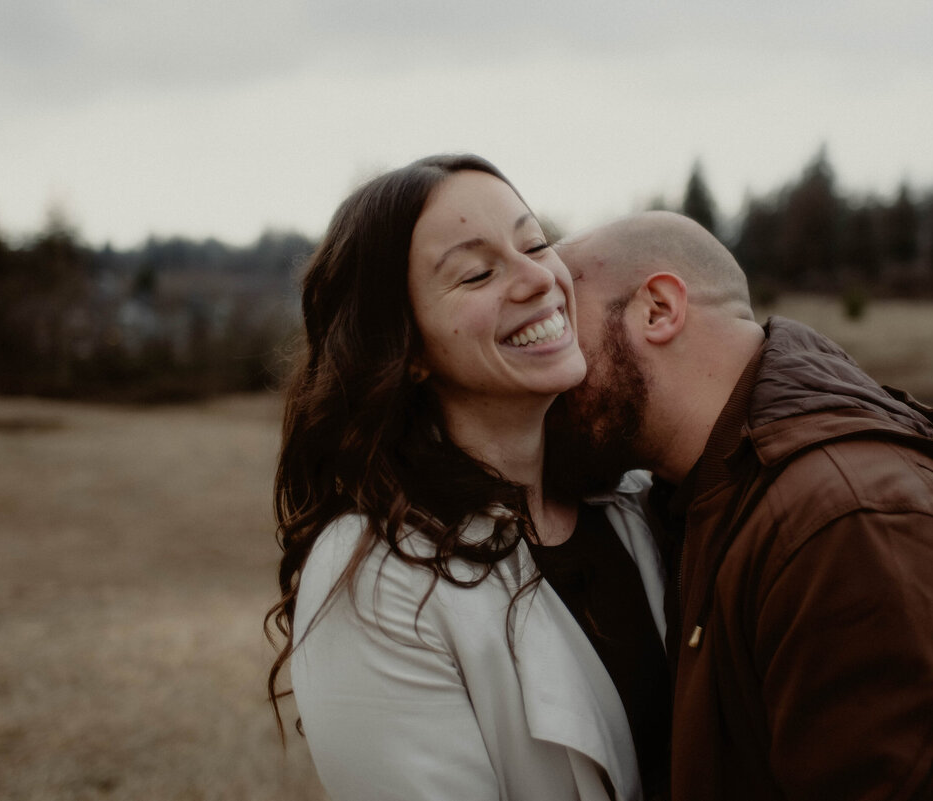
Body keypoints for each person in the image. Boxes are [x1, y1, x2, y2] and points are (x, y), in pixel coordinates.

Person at [551, 210, 933, 800]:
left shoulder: (854, 526)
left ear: (658, 309)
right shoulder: (709, 500)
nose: (547, 365)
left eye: (561, 319)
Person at [265, 156, 671, 801]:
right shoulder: (379, 574)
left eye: (536, 243)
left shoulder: (635, 500)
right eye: (478, 272)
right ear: (409, 350)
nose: (538, 278)